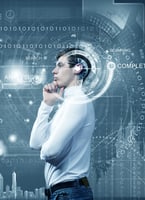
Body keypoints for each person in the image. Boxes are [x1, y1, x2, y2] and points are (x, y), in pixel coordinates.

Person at [29, 48, 95, 200]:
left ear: (77, 69)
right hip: (64, 193)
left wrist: (51, 150)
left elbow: (50, 152)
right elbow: (35, 143)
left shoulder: (78, 102)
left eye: (60, 65)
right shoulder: (67, 105)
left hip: (70, 193)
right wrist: (46, 105)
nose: (54, 71)